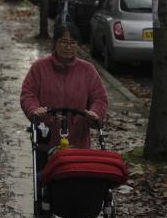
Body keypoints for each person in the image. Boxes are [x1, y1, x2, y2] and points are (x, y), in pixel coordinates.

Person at [20, 22, 108, 154]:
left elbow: (99, 98)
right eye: (63, 42)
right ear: (55, 43)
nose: (68, 47)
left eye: (72, 43)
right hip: (46, 138)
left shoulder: (87, 70)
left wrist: (95, 113)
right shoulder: (39, 68)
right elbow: (28, 94)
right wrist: (34, 110)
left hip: (78, 141)